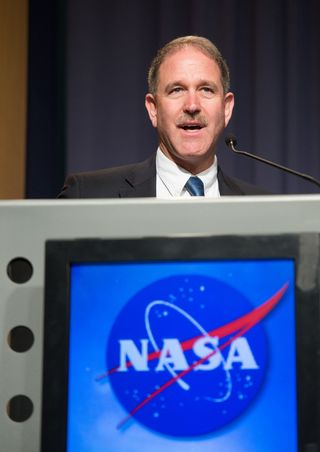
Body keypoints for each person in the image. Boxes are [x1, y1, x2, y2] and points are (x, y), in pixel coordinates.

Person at [58, 35, 266, 199]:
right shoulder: (89, 195)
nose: (192, 105)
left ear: (226, 108)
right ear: (153, 109)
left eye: (206, 90)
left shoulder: (266, 210)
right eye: (176, 90)